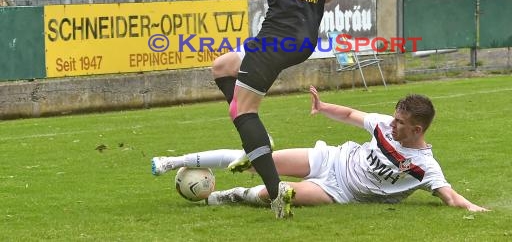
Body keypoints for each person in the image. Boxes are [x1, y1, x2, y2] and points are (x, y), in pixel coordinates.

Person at [154, 0, 362, 219]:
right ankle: (259, 141)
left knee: (241, 112)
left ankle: (276, 194)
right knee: (222, 66)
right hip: (304, 38)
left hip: (277, 36)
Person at [152, 86, 489, 213]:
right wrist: (323, 106)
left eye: (401, 123)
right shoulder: (384, 124)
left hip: (337, 190)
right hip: (331, 157)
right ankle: (174, 161)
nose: (392, 125)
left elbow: (450, 196)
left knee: (278, 192)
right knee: (258, 159)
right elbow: (350, 115)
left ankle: (218, 197)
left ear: (418, 129)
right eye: (395, 118)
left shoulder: (424, 167)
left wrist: (474, 208)